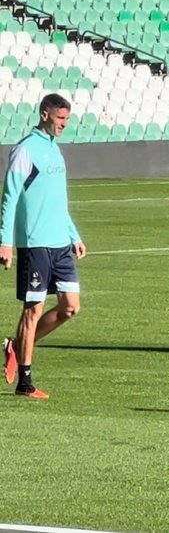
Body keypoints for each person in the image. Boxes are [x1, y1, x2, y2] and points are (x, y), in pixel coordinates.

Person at [0, 93, 86, 399]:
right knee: (32, 310)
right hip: (35, 244)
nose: (64, 124)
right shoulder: (25, 150)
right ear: (45, 114)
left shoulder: (55, 150)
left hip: (60, 243)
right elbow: (10, 196)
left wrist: (73, 234)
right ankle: (25, 383)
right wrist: (5, 241)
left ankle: (17, 345)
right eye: (60, 118)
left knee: (70, 307)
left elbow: (57, 201)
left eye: (67, 119)